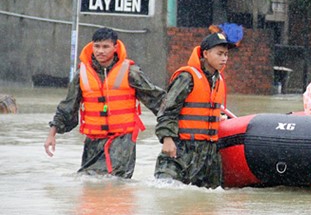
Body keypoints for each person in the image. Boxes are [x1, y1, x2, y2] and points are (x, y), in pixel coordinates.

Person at [44, 27, 165, 178]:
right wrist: (52, 134)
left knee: (115, 181)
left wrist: (172, 131)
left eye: (105, 47)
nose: (100, 51)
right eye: (97, 46)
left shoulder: (130, 72)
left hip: (122, 140)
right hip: (94, 141)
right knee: (88, 181)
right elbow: (67, 107)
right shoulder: (81, 74)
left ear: (115, 47)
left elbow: (157, 100)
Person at [153, 30, 235, 188]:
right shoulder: (187, 77)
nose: (224, 58)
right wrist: (167, 139)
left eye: (226, 54)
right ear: (206, 53)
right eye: (220, 54)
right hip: (182, 149)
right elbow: (167, 110)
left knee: (205, 205)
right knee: (167, 194)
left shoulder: (218, 81)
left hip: (208, 154)